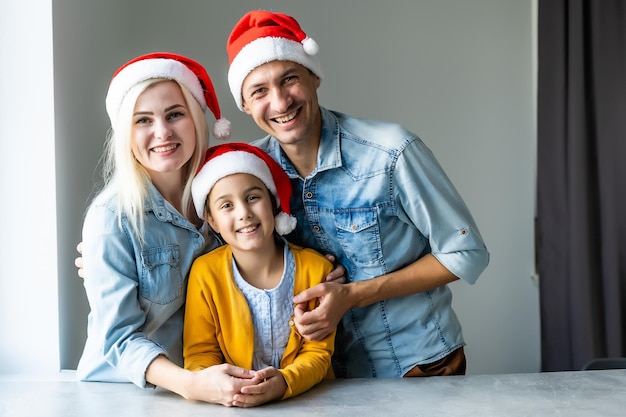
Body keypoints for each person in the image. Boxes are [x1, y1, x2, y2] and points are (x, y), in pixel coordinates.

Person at [225, 10, 490, 378]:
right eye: (260, 91)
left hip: (418, 368)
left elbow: (467, 253)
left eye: (290, 79)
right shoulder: (249, 176)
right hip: (317, 377)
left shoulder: (391, 151)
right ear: (245, 104)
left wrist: (353, 295)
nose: (281, 102)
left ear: (314, 77)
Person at [75, 51, 261, 405]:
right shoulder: (111, 217)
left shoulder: (225, 194)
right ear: (125, 133)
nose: (162, 132)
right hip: (121, 396)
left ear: (196, 119)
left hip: (205, 389)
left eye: (175, 114)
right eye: (143, 120)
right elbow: (119, 338)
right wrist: (191, 384)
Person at [184, 142, 335, 407]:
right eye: (226, 205)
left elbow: (319, 353)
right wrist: (223, 388)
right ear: (212, 220)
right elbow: (200, 354)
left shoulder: (316, 269)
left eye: (253, 197)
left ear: (272, 202)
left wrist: (286, 382)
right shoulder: (205, 273)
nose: (244, 213)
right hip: (232, 405)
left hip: (311, 403)